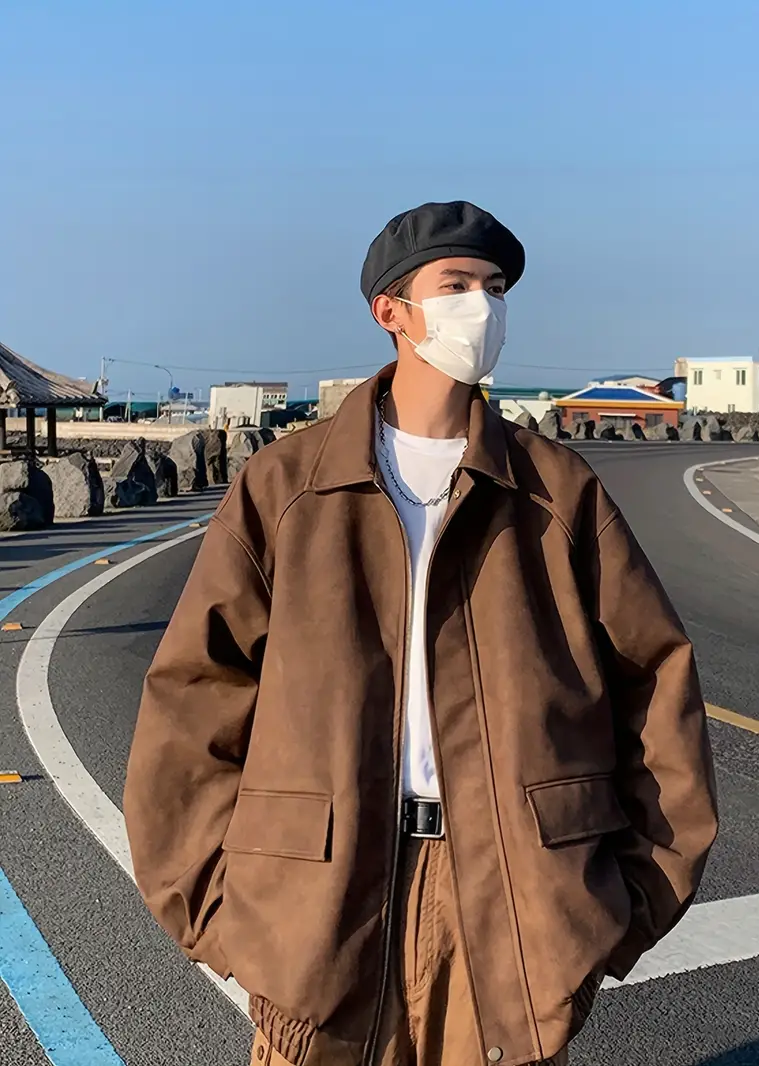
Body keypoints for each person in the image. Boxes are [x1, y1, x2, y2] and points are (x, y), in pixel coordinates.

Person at [124, 201, 718, 1066]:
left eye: (497, 288)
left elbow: (657, 686)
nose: (484, 307)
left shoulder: (557, 491)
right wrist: (223, 916)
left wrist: (615, 910)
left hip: (511, 892)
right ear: (391, 311)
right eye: (458, 285)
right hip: (316, 904)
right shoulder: (287, 487)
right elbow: (192, 698)